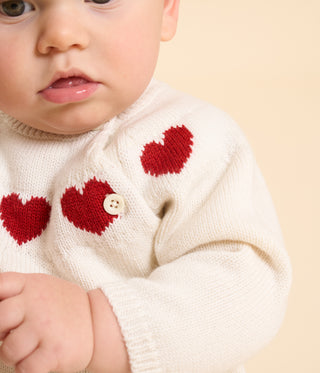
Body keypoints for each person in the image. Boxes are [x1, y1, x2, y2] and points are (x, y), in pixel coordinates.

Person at [0, 0, 292, 372]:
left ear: (167, 9)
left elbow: (246, 288)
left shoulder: (190, 141)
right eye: (13, 6)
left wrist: (98, 327)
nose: (61, 36)